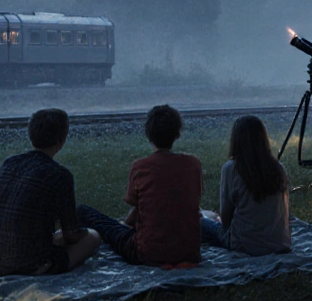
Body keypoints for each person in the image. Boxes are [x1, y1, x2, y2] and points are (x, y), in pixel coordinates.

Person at [77, 104, 203, 266]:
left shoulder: (141, 166)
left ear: (148, 134)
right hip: (189, 253)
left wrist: (123, 225)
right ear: (178, 133)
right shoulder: (193, 164)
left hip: (147, 253)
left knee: (83, 212)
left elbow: (138, 208)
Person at [0, 108, 102, 276]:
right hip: (33, 264)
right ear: (62, 139)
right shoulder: (60, 175)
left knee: (54, 236)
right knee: (93, 237)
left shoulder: (9, 164)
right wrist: (85, 232)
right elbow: (71, 235)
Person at [200, 115, 292, 255]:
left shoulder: (231, 169)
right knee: (210, 217)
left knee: (199, 221)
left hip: (244, 245)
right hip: (279, 244)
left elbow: (226, 219)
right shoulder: (278, 168)